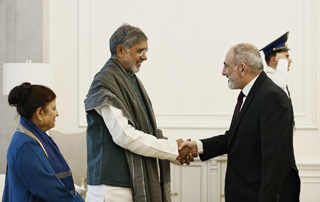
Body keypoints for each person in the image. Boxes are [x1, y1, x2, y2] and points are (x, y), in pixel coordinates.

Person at [84, 23, 195, 202]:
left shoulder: (130, 79)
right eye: (140, 51)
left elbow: (146, 131)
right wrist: (174, 149)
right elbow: (124, 136)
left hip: (127, 184)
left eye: (145, 51)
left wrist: (175, 151)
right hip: (112, 187)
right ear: (120, 50)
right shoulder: (104, 83)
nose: (144, 57)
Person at [179, 43, 300, 201]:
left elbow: (275, 162)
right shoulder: (253, 94)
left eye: (226, 66)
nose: (223, 72)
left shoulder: (271, 97)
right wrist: (198, 146)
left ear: (242, 68)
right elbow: (237, 137)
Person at [2, 82, 84, 202]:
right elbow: (52, 193)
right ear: (40, 113)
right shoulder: (26, 146)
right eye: (54, 108)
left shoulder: (32, 138)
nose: (57, 113)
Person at [260, 31, 293, 97]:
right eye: (286, 57)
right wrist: (282, 61)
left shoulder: (275, 77)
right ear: (273, 60)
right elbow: (279, 87)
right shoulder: (267, 79)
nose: (290, 61)